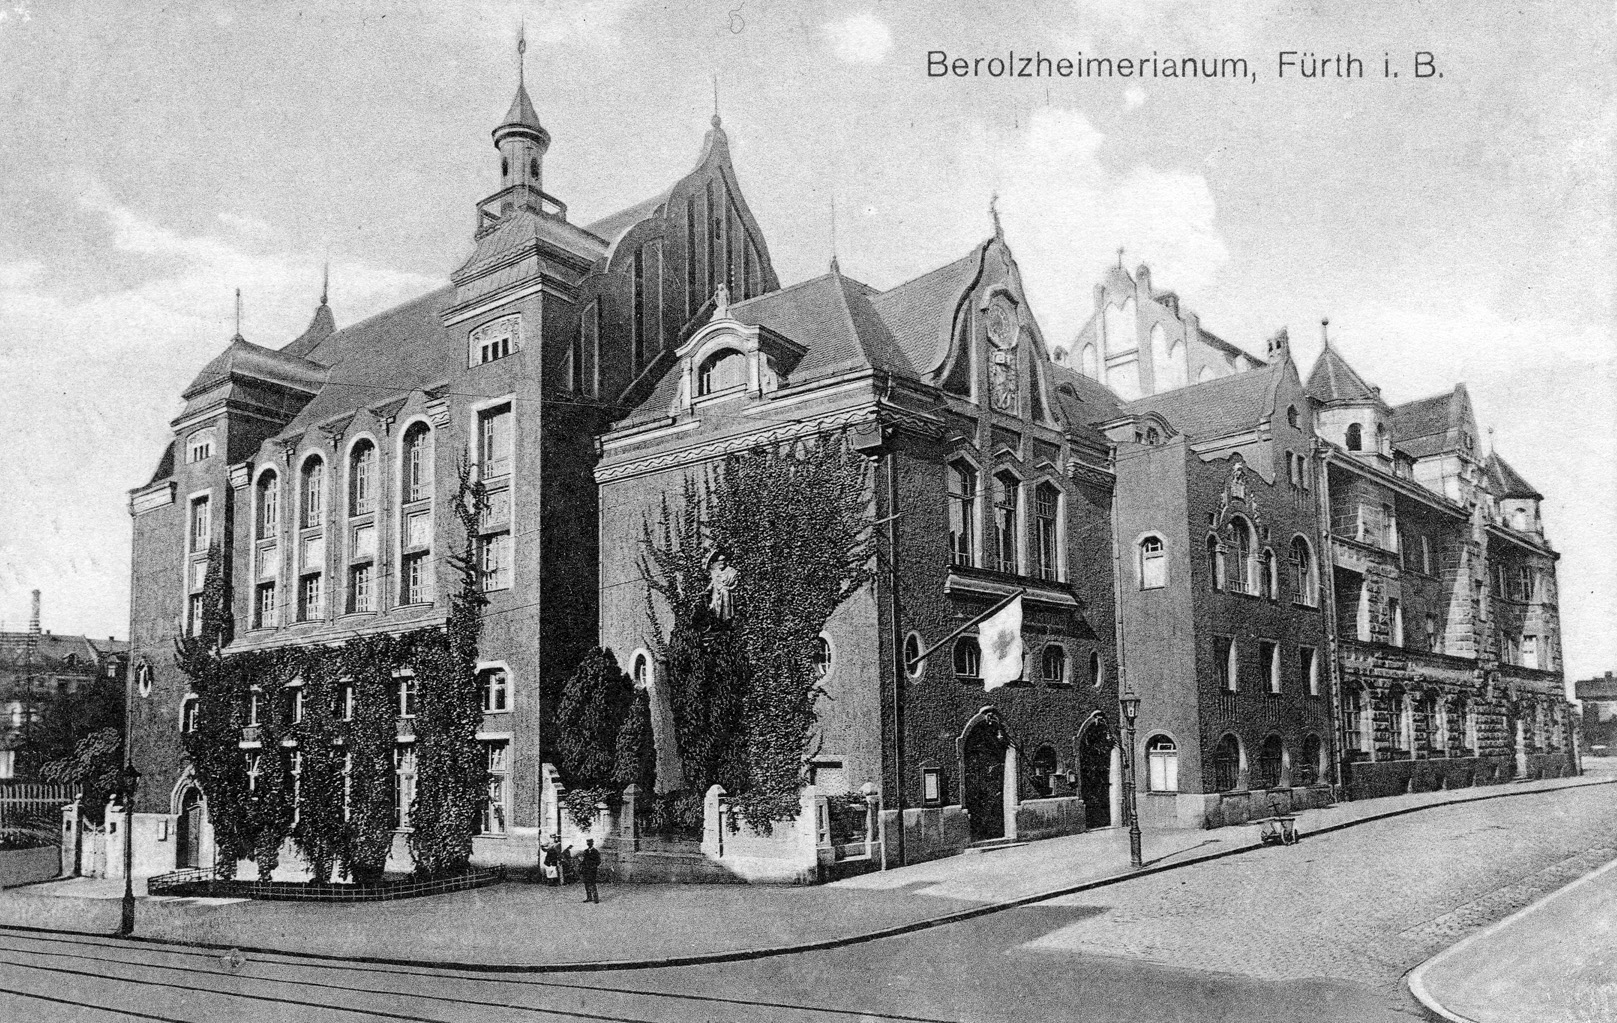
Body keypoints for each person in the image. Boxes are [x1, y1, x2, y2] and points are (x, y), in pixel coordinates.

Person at [580, 838, 601, 904]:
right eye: (587, 842)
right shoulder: (585, 851)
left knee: (593, 884)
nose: (588, 844)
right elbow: (583, 861)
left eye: (590, 842)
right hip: (586, 870)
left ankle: (596, 898)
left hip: (592, 871)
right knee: (586, 884)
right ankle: (589, 897)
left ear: (592, 843)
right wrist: (582, 866)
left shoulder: (595, 851)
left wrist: (593, 866)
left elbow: (598, 861)